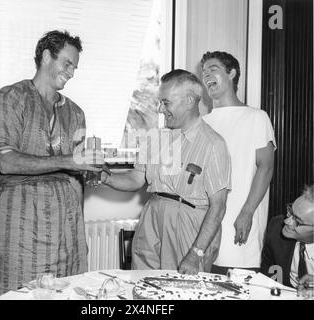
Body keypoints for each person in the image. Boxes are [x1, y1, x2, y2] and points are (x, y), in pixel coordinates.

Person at [0, 30, 104, 298]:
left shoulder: (75, 112)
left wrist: (79, 233)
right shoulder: (10, 98)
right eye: (67, 63)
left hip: (66, 223)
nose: (71, 72)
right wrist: (69, 161)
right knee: (20, 290)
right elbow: (6, 161)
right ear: (47, 57)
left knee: (67, 291)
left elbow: (76, 177)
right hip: (21, 216)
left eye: (75, 67)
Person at [102, 69, 231, 274]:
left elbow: (218, 206)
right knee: (143, 284)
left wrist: (195, 253)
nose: (161, 109)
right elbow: (136, 179)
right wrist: (104, 176)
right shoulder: (156, 138)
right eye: (160, 102)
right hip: (153, 217)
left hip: (190, 225)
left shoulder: (213, 144)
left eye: (166, 102)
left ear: (189, 100)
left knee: (182, 291)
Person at [201, 51, 276, 275]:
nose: (206, 76)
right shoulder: (203, 122)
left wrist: (246, 212)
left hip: (239, 220)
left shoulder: (256, 117)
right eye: (203, 72)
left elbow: (266, 167)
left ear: (232, 73)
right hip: (207, 225)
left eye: (212, 69)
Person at [261, 185, 314, 289]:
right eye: (290, 211)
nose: (286, 221)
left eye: (297, 221)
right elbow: (267, 275)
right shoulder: (276, 228)